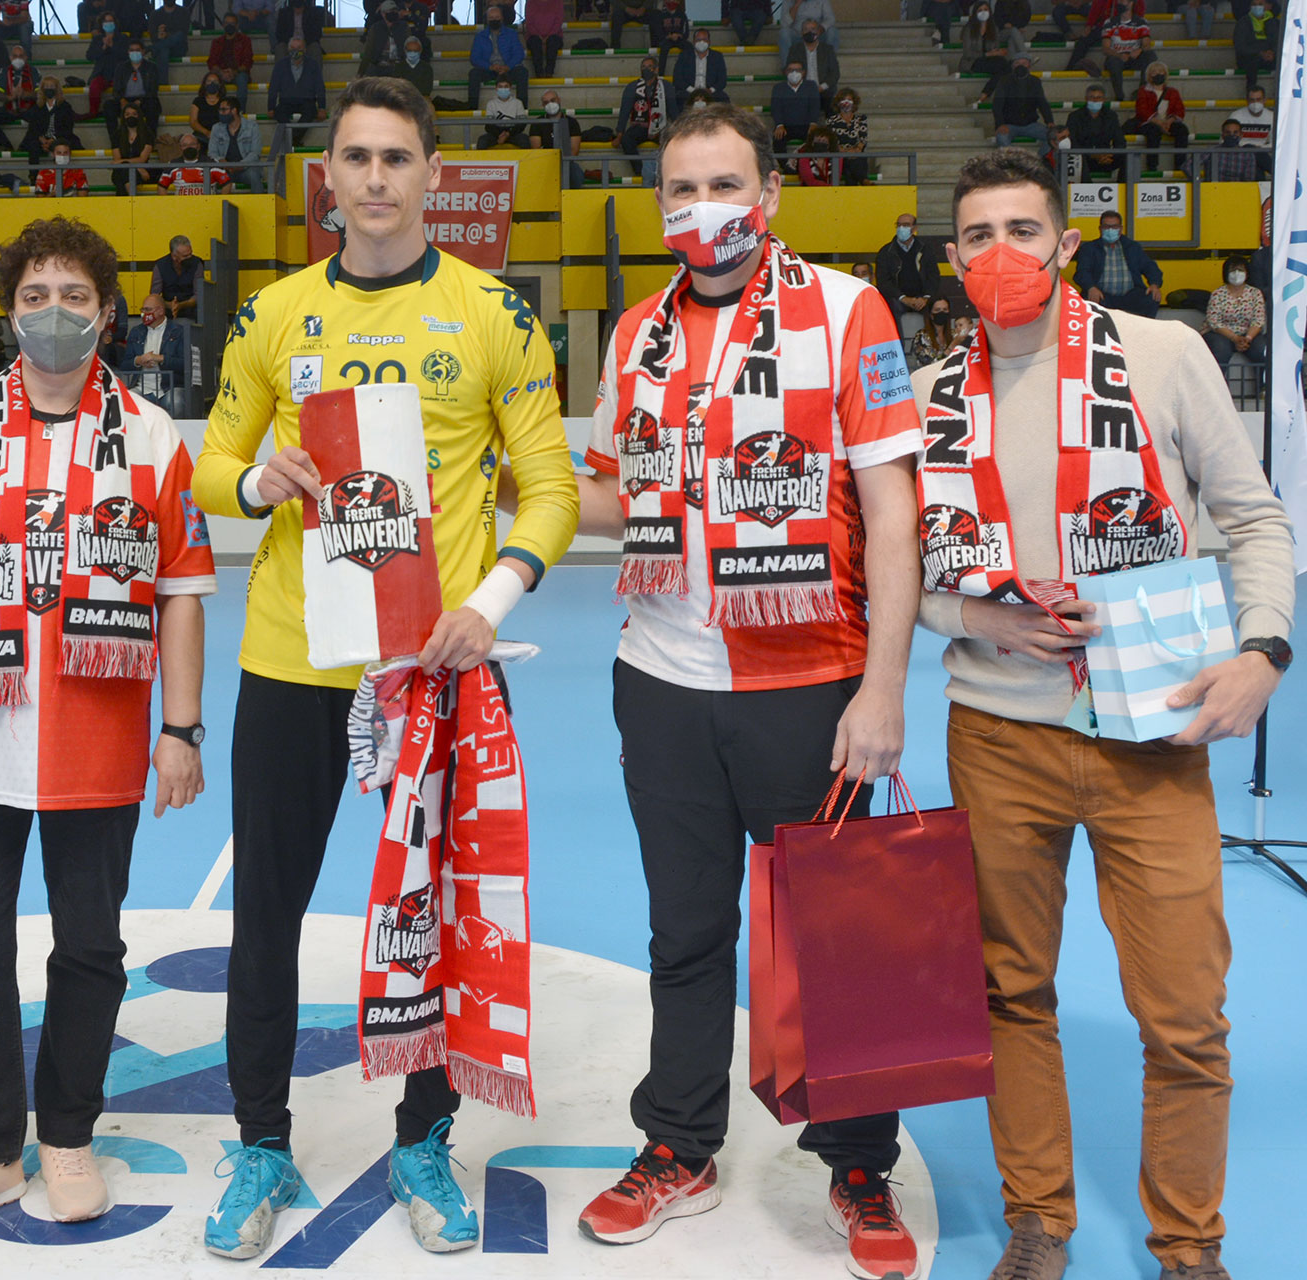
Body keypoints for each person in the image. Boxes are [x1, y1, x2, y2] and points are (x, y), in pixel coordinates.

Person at [192, 74, 579, 1263]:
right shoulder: (272, 315)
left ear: (431, 175)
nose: (373, 179)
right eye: (354, 158)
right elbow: (211, 465)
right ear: (329, 178)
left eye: (396, 159)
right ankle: (261, 1136)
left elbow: (553, 486)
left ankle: (427, 1135)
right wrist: (259, 483)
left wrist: (490, 595)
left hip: (440, 662)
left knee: (437, 913)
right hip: (294, 661)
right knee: (265, 915)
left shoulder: (494, 314)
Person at [912, 145, 1295, 1280]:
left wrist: (1265, 650)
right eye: (977, 236)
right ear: (951, 257)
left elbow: (1258, 519)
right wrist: (975, 623)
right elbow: (907, 576)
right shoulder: (933, 398)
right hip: (997, 735)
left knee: (1186, 1010)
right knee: (1008, 989)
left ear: (1067, 245)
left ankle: (1190, 1242)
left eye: (1022, 231)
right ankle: (1040, 1219)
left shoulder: (1165, 356)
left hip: (1152, 733)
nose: (1000, 255)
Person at [566, 102, 921, 1280]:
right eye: (681, 188)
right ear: (662, 203)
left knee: (834, 931)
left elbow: (892, 509)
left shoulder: (846, 311)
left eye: (724, 184)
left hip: (809, 679)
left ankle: (858, 1157)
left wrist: (881, 687)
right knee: (686, 930)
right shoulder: (636, 334)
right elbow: (612, 494)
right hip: (660, 675)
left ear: (768, 195)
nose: (702, 207)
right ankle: (679, 1142)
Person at [0, 212, 212, 1250]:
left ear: (109, 313)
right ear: (7, 311)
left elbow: (183, 592)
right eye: (34, 296)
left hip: (99, 728)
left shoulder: (150, 434)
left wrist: (180, 729)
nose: (54, 314)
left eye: (75, 297)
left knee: (91, 944)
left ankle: (65, 1132)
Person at [1073, 209, 1161, 316]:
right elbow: (1082, 272)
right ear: (1100, 229)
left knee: (1152, 297)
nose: (1110, 230)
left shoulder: (1132, 247)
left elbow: (1149, 266)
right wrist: (1091, 287)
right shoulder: (1089, 248)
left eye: (1114, 227)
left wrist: (1154, 284)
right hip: (1102, 296)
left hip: (1131, 296)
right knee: (1090, 301)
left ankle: (1143, 332)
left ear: (1121, 229)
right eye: (1106, 227)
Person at [118, 291, 188, 414]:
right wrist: (138, 361)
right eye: (142, 310)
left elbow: (185, 364)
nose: (143, 314)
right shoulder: (136, 332)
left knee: (176, 401)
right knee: (124, 402)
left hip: (169, 388)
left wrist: (161, 358)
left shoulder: (178, 332)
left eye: (147, 310)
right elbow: (124, 364)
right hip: (141, 388)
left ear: (160, 311)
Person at [876, 212, 938, 339]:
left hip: (922, 297)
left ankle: (932, 347)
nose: (901, 228)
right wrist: (903, 298)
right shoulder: (886, 252)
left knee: (937, 307)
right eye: (898, 225)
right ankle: (898, 349)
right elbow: (883, 282)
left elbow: (934, 277)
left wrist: (925, 298)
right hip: (898, 298)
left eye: (906, 225)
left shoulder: (926, 249)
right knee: (889, 308)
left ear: (914, 228)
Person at [1203, 253, 1267, 373]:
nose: (1237, 273)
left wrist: (1247, 338)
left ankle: (1263, 389)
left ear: (1247, 273)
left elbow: (1258, 320)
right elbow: (1214, 321)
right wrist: (1235, 338)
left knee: (1262, 350)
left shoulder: (1255, 293)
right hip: (1222, 334)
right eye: (1232, 270)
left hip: (1248, 335)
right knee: (1220, 350)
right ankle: (1218, 389)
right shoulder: (1218, 294)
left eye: (1240, 270)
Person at [618, 57, 673, 180]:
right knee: (626, 140)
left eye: (649, 66)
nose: (646, 69)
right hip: (640, 126)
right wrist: (619, 132)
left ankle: (665, 172)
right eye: (643, 67)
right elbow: (624, 111)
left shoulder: (666, 87)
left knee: (672, 143)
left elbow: (673, 111)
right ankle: (640, 171)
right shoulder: (633, 87)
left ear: (656, 69)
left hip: (660, 127)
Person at [1128, 61, 1187, 173]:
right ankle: (1152, 166)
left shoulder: (1172, 92)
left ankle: (1180, 165)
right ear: (1149, 76)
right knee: (1153, 131)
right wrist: (1159, 122)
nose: (1158, 74)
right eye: (1154, 72)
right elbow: (1142, 110)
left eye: (1161, 72)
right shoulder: (1143, 91)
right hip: (1149, 122)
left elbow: (1179, 109)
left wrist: (1169, 121)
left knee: (1182, 130)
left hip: (1168, 121)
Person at [469, 5, 529, 109]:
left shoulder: (512, 34)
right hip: (490, 70)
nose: (494, 20)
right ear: (487, 20)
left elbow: (519, 54)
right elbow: (475, 58)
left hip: (508, 69)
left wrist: (508, 66)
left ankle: (522, 107)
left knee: (522, 72)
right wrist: (490, 67)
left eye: (497, 17)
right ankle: (472, 108)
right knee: (474, 74)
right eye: (491, 18)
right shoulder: (480, 36)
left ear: (502, 18)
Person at [963, 2, 1026, 101]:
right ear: (975, 13)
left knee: (1004, 67)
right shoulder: (969, 29)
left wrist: (998, 52)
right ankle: (1003, 96)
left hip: (989, 60)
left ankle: (985, 94)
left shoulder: (993, 28)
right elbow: (967, 54)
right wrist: (988, 54)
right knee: (1005, 67)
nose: (983, 12)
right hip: (973, 62)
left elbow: (995, 47)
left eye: (985, 10)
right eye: (980, 10)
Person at [268, 36, 326, 141]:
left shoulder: (313, 65)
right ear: (288, 49)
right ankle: (296, 140)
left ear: (304, 49)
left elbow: (320, 87)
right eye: (293, 47)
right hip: (286, 101)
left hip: (307, 101)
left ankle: (292, 140)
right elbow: (273, 87)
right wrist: (270, 107)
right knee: (279, 113)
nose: (295, 50)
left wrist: (322, 107)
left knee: (311, 112)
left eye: (299, 47)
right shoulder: (280, 65)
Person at [1066, 85, 1124, 180]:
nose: (1095, 100)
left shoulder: (1111, 116)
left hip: (1107, 158)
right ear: (1086, 99)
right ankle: (1089, 193)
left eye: (1098, 98)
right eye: (1092, 97)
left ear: (1103, 100)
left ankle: (1125, 191)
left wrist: (1110, 155)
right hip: (1085, 158)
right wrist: (1093, 155)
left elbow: (1120, 141)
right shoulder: (1075, 117)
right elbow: (1072, 142)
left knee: (1128, 158)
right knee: (1078, 159)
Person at [993, 53, 1051, 146]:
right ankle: (1012, 160)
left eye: (1024, 63)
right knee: (1002, 139)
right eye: (1017, 63)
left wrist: (1049, 121)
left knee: (1054, 137)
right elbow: (997, 105)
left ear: (1029, 65)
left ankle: (1040, 159)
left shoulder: (1035, 81)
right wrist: (1000, 124)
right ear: (1012, 66)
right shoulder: (1004, 81)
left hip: (1031, 124)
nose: (1020, 66)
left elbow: (1042, 102)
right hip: (1009, 124)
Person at [208, 95, 263, 194]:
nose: (220, 113)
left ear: (234, 110)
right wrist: (221, 160)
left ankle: (262, 207)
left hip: (246, 169)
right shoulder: (216, 128)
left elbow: (255, 153)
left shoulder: (252, 127)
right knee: (208, 176)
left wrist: (240, 165)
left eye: (224, 110)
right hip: (224, 170)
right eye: (219, 110)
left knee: (254, 176)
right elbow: (212, 152)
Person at [0, 48, 36, 151]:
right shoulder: (4, 71)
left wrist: (26, 94)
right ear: (10, 58)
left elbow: (40, 93)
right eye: (15, 56)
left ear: (26, 57)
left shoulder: (33, 71)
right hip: (9, 108)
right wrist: (9, 97)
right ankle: (5, 145)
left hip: (28, 108)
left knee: (41, 117)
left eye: (21, 56)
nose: (18, 59)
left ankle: (24, 147)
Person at [1101, 0, 1153, 100]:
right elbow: (1105, 48)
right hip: (1117, 58)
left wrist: (1139, 50)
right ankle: (1119, 96)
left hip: (1134, 58)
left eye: (1123, 1)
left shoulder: (1141, 22)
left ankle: (1141, 92)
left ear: (1131, 3)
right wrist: (1119, 55)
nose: (1120, 3)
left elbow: (1147, 44)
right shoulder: (1110, 22)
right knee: (1113, 61)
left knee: (1150, 55)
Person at [770, 58, 822, 156]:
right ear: (785, 72)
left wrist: (813, 123)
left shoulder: (811, 86)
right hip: (786, 126)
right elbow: (775, 107)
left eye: (798, 70)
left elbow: (815, 106)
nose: (794, 73)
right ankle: (786, 167)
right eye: (790, 70)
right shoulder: (778, 88)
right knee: (778, 139)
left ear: (803, 72)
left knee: (816, 139)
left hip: (806, 125)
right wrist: (779, 125)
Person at [535, 88, 587, 186]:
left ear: (559, 100)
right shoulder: (538, 122)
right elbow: (536, 149)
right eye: (546, 102)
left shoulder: (571, 122)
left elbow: (574, 151)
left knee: (576, 174)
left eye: (552, 100)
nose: (550, 104)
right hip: (545, 163)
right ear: (542, 105)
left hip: (566, 162)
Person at [24, 77, 80, 164]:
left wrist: (53, 140)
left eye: (52, 86)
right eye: (46, 86)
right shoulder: (37, 107)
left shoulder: (65, 106)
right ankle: (33, 175)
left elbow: (68, 128)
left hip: (60, 137)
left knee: (60, 146)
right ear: (42, 89)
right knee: (33, 146)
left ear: (57, 89)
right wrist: (42, 139)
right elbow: (33, 127)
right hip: (41, 139)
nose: (49, 89)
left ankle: (60, 173)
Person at [112, 39, 164, 134]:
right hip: (125, 100)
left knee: (152, 106)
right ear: (128, 52)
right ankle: (115, 139)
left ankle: (150, 139)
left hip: (145, 100)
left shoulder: (152, 67)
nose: (134, 52)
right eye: (132, 50)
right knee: (108, 107)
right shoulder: (121, 67)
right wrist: (122, 100)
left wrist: (140, 101)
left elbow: (153, 90)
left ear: (143, 51)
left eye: (137, 50)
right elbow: (116, 89)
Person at [673, 31, 730, 110]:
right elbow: (677, 79)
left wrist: (710, 90)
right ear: (693, 42)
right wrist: (693, 91)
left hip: (710, 92)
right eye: (698, 40)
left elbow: (722, 81)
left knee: (723, 98)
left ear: (709, 42)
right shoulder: (684, 55)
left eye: (704, 39)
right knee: (678, 98)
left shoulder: (717, 56)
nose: (701, 42)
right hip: (689, 92)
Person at [109, 101, 156, 194]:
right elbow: (117, 159)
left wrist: (135, 167)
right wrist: (136, 167)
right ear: (123, 117)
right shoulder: (117, 135)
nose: (131, 116)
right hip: (132, 170)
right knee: (123, 172)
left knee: (122, 176)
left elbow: (142, 159)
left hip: (142, 171)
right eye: (127, 114)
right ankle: (133, 202)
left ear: (139, 116)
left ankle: (126, 205)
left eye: (134, 114)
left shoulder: (148, 134)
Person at [151, 236, 201, 321]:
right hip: (166, 307)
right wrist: (170, 305)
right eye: (185, 256)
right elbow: (154, 296)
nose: (190, 257)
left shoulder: (197, 264)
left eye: (190, 254)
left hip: (190, 306)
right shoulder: (160, 266)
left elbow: (199, 294)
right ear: (174, 256)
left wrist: (181, 305)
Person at [825, 86, 868, 183]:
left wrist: (856, 150)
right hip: (839, 156)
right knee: (850, 165)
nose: (846, 102)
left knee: (854, 163)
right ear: (838, 103)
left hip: (856, 155)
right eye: (843, 100)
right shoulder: (831, 121)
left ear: (854, 102)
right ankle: (864, 180)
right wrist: (844, 152)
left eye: (849, 100)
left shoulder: (861, 119)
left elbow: (863, 140)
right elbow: (831, 142)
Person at [1233, 1, 1278, 94]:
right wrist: (1260, 53)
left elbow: (1278, 41)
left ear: (1268, 6)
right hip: (1250, 57)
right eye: (1254, 4)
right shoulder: (1243, 22)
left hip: (1269, 56)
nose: (1257, 7)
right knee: (1251, 62)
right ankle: (1251, 92)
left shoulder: (1274, 22)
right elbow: (1240, 46)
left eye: (1260, 4)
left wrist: (1273, 52)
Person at [210, 15, 255, 106]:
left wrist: (234, 72)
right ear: (223, 25)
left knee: (242, 79)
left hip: (238, 73)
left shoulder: (245, 40)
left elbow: (248, 61)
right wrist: (222, 72)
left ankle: (240, 111)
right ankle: (217, 111)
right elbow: (211, 62)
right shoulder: (217, 42)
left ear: (237, 25)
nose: (229, 26)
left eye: (232, 23)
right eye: (227, 23)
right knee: (211, 80)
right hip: (221, 73)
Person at [907, 294, 957, 368]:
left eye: (945, 309)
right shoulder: (922, 336)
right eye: (937, 310)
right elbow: (931, 365)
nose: (942, 313)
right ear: (931, 315)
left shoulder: (954, 334)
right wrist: (952, 346)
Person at [480, 75, 530, 148]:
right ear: (496, 88)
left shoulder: (518, 103)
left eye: (506, 86)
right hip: (496, 134)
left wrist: (508, 134)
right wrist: (500, 135)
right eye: (500, 86)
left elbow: (521, 124)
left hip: (513, 133)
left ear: (510, 87)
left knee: (524, 140)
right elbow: (489, 125)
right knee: (482, 141)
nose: (503, 89)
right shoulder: (491, 103)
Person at [1209, 116, 1258, 182]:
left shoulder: (1248, 155)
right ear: (1222, 135)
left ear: (1241, 135)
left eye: (1235, 132)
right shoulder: (1211, 151)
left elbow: (1249, 180)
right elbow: (1191, 165)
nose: (1231, 135)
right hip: (1213, 189)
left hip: (1239, 190)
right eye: (1228, 132)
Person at [525, 0, 564, 77]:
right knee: (535, 43)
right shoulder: (530, 2)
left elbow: (559, 21)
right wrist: (539, 36)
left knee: (553, 42)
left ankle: (549, 72)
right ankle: (539, 73)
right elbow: (529, 22)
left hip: (555, 35)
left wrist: (548, 37)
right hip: (533, 36)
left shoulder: (558, 2)